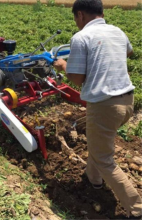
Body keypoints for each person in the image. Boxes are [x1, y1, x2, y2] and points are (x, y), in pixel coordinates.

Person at [53, 0, 142, 218]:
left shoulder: (81, 37)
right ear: (101, 13)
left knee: (105, 159)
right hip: (126, 102)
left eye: (76, 18)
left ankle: (136, 208)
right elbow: (128, 53)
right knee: (98, 143)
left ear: (80, 15)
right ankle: (93, 180)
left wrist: (63, 65)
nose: (76, 23)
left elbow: (76, 78)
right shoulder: (118, 32)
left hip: (104, 106)